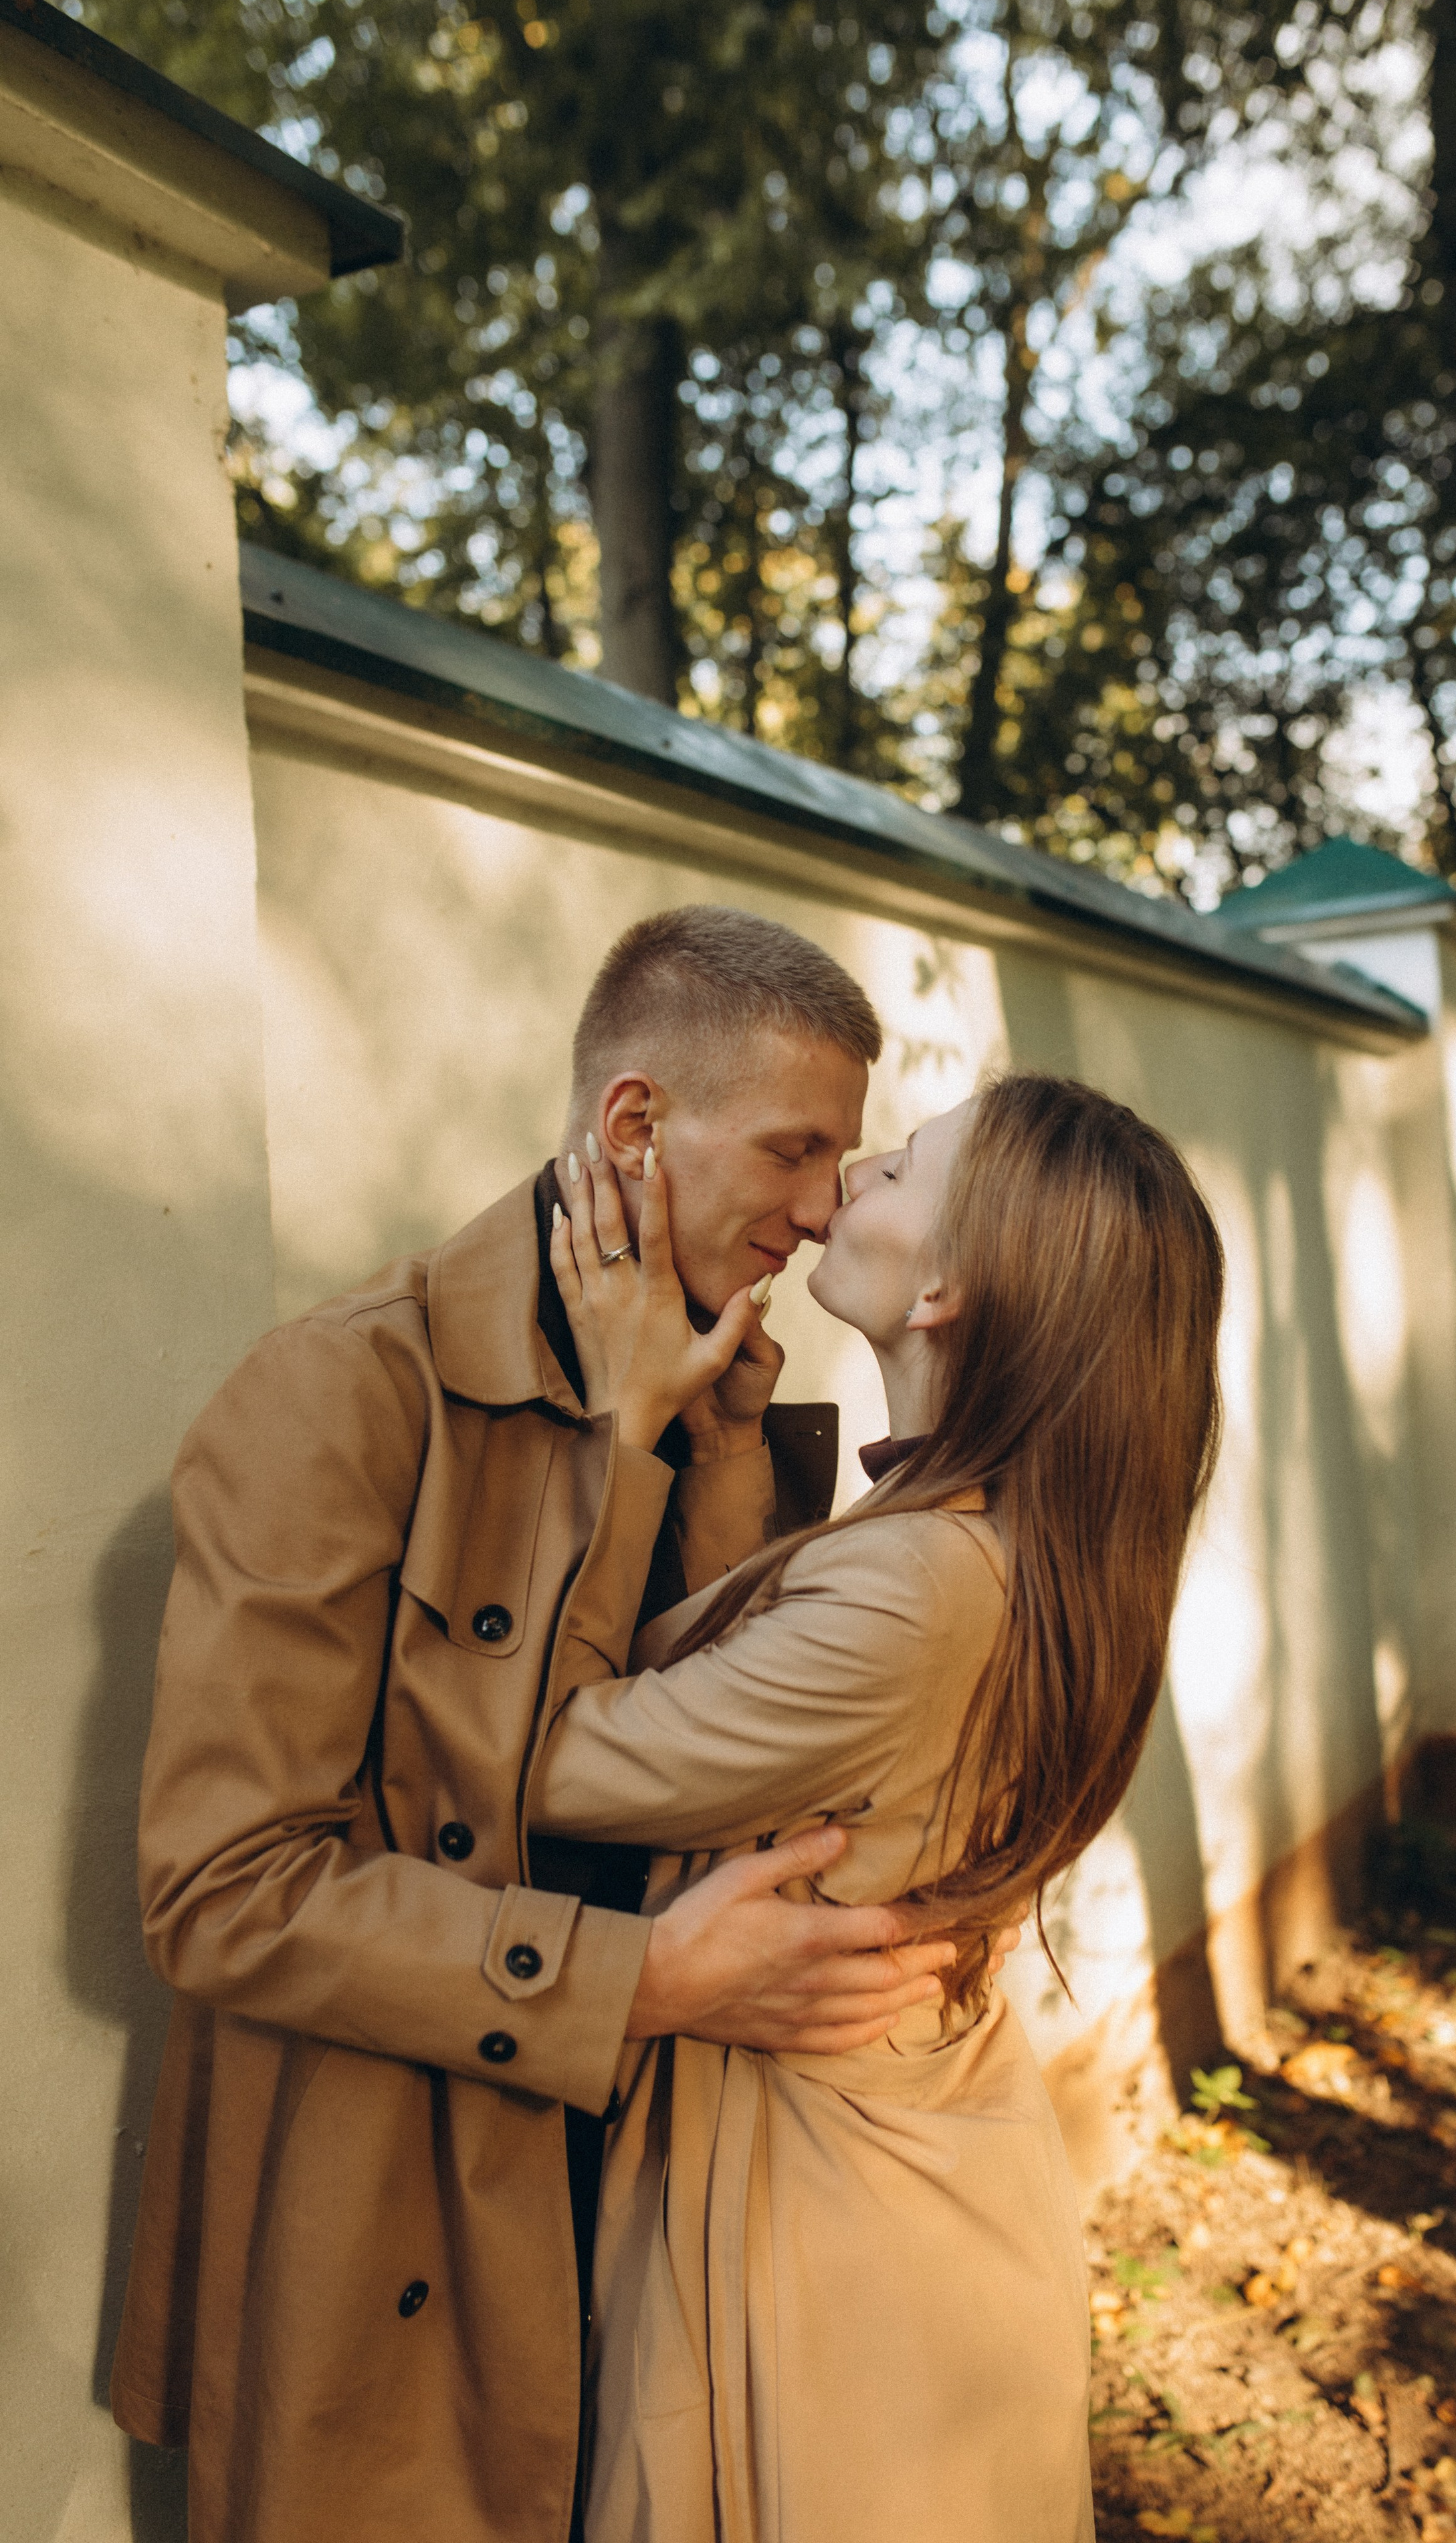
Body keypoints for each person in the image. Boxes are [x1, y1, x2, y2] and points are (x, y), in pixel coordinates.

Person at [110, 906, 969, 2543]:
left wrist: (708, 1452)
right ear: (634, 1124)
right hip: (396, 2238)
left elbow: (698, 1758)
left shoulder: (736, 1392)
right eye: (792, 1151)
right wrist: (638, 1980)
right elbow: (220, 1893)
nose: (816, 1209)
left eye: (840, 1162)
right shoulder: (345, 1396)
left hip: (662, 2207)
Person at [532, 1068, 1226, 2543]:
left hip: (826, 2245)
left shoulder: (921, 1589)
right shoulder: (1003, 1537)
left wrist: (616, 1422)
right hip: (917, 2180)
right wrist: (722, 1447)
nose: (844, 1182)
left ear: (950, 1290)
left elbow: (561, 1762)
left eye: (899, 1168)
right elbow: (782, 1708)